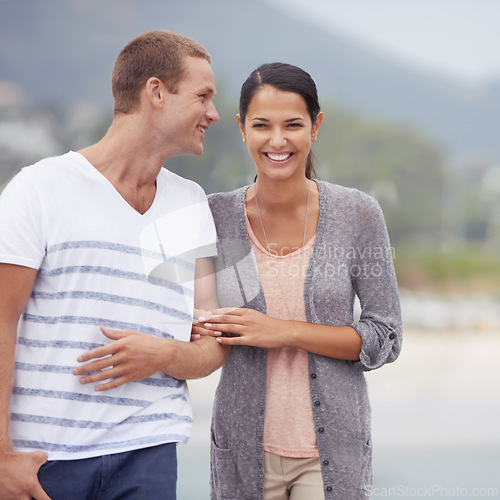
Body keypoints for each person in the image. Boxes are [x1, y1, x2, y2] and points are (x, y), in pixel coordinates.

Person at [0, 30, 227, 500]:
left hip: (149, 450)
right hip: (43, 458)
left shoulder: (189, 203)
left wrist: (162, 355)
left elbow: (211, 343)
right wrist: (1, 457)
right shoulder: (40, 189)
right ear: (156, 92)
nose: (214, 113)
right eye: (203, 96)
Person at [192, 62, 403, 499]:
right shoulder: (215, 218)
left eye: (293, 125)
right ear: (241, 128)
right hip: (243, 448)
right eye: (261, 125)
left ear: (315, 126)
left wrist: (281, 332)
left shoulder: (357, 215)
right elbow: (189, 318)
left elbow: (385, 336)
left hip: (332, 454)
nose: (277, 141)